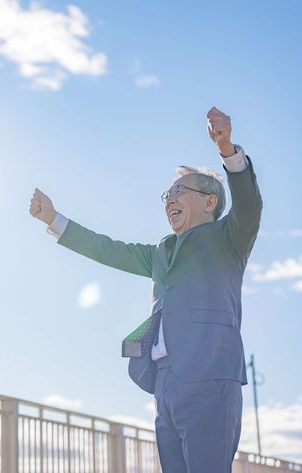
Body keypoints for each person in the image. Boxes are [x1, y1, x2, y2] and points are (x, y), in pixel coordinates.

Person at [29, 107, 262, 472]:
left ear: (209, 201)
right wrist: (53, 219)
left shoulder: (228, 239)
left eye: (179, 191)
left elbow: (248, 205)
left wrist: (228, 150)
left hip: (210, 377)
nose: (170, 200)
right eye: (167, 194)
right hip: (165, 384)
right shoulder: (160, 252)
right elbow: (108, 249)